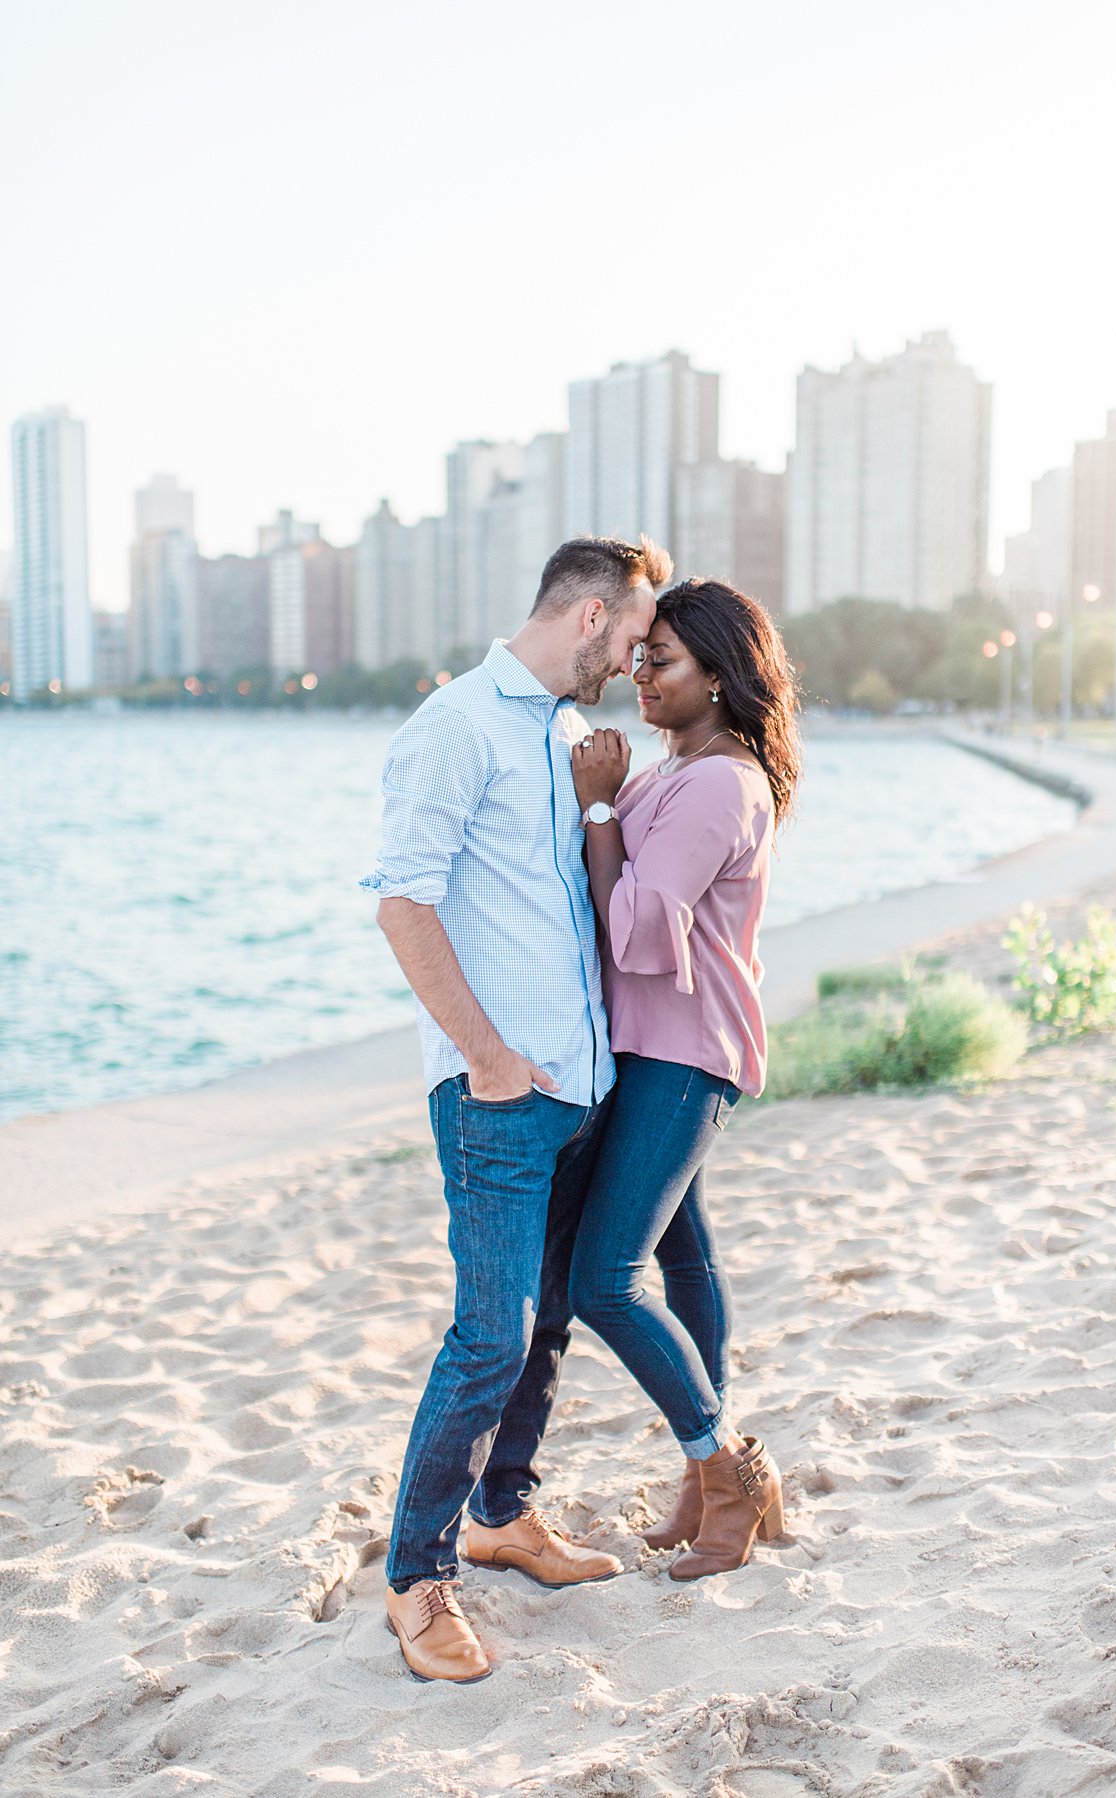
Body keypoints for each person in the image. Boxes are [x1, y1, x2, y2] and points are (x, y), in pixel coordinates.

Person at [360, 534, 670, 1683]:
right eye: (636, 636)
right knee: (489, 1333)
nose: (637, 662)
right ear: (591, 616)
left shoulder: (557, 735)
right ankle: (416, 1576)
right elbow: (404, 904)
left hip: (579, 1086)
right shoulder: (454, 725)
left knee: (543, 1325)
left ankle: (503, 1515)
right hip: (501, 1095)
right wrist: (487, 1058)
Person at [567, 577, 801, 1580]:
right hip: (655, 1044)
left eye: (660, 658)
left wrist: (597, 806)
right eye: (637, 655)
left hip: (681, 1050)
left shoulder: (716, 783)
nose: (639, 671)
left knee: (604, 1279)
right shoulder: (682, 767)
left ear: (720, 672)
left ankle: (726, 1466)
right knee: (686, 1265)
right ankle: (707, 1482)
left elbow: (637, 931)